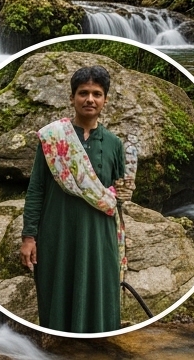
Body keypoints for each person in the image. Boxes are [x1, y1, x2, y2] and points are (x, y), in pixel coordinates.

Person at [18, 65, 135, 333]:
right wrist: (28, 237)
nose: (90, 99)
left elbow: (116, 195)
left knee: (99, 291)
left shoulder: (115, 144)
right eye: (83, 93)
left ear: (105, 99)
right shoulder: (51, 138)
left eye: (97, 93)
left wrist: (127, 191)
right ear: (72, 98)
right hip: (57, 231)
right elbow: (36, 188)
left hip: (99, 235)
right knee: (57, 291)